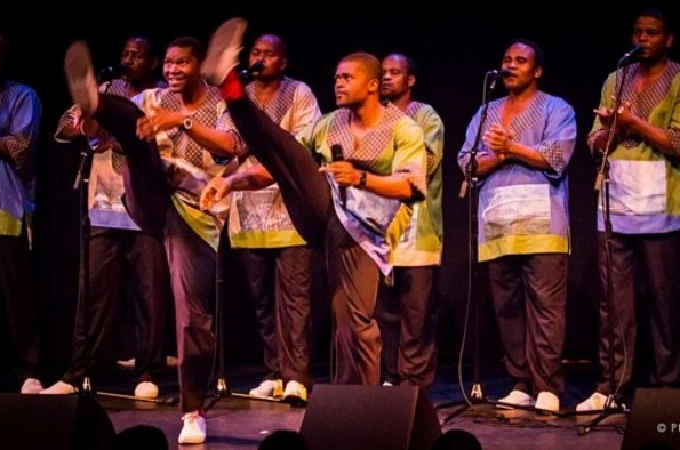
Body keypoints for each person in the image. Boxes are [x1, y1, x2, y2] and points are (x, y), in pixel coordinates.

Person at [198, 18, 426, 386]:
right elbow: (281, 166)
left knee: (351, 319)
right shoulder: (328, 124)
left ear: (372, 84)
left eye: (347, 78)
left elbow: (411, 186)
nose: (337, 83)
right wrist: (230, 182)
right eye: (336, 77)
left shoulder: (403, 127)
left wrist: (362, 178)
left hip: (364, 234)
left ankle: (359, 401)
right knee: (284, 149)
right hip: (323, 214)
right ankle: (231, 87)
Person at [61, 36, 244, 444]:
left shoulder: (217, 105)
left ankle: (192, 409)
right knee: (135, 139)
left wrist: (180, 121)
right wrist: (91, 120)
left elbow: (234, 144)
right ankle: (100, 102)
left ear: (199, 66)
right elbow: (98, 133)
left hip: (196, 215)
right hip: (149, 197)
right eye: (171, 64)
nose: (173, 71)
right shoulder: (154, 97)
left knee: (191, 315)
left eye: (182, 64)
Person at [577, 8, 680, 411]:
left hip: (661, 204)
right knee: (613, 302)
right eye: (637, 32)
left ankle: (667, 385)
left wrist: (632, 122)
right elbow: (594, 140)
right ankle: (611, 386)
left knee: (664, 298)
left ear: (668, 39)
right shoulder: (616, 79)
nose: (642, 39)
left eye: (651, 33)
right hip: (615, 203)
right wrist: (609, 130)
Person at [46, 35, 170, 399]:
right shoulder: (103, 89)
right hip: (103, 205)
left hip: (145, 207)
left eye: (138, 55)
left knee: (150, 293)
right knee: (94, 292)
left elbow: (159, 143)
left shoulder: (162, 97)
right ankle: (81, 371)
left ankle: (148, 370)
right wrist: (87, 125)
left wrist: (116, 137)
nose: (129, 60)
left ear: (153, 62)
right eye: (125, 53)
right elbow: (64, 128)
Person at [457, 39, 576, 412]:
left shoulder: (556, 108)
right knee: (507, 308)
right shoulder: (486, 112)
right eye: (506, 59)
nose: (511, 66)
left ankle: (549, 387)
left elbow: (558, 154)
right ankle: (521, 381)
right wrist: (501, 154)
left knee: (545, 308)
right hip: (498, 225)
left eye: (520, 61)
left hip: (542, 224)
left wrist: (510, 150)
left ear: (536, 71)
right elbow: (467, 162)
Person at [202, 33, 320, 402]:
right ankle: (274, 372)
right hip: (248, 213)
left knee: (295, 300)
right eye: (256, 52)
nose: (261, 58)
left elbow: (293, 154)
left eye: (269, 54)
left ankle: (297, 375)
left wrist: (237, 172)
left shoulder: (300, 93)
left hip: (290, 211)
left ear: (283, 62)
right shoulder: (238, 100)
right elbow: (228, 146)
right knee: (262, 301)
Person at [377, 52, 444, 388]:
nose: (387, 77)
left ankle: (414, 385)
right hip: (377, 229)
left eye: (394, 72)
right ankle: (390, 378)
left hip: (418, 230)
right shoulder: (370, 117)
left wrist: (376, 165)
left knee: (416, 314)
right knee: (385, 312)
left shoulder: (425, 117)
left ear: (410, 79)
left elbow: (424, 164)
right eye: (383, 72)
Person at [0, 33, 42, 394]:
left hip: (5, 207)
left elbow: (19, 148)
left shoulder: (23, 96)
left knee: (16, 297)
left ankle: (28, 370)